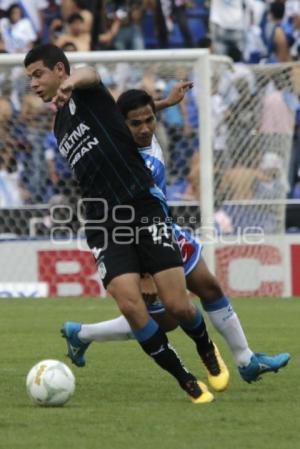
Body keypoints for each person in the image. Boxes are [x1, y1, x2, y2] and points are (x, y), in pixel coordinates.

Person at [24, 43, 216, 404]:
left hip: (142, 205)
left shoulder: (86, 89)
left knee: (177, 305)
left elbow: (89, 74)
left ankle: (206, 347)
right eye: (29, 78)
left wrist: (72, 83)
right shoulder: (58, 121)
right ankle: (185, 379)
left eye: (39, 74)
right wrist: (161, 104)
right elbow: (118, 122)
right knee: (130, 305)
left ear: (60, 70)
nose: (33, 83)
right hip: (102, 220)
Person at [62, 86, 291, 385]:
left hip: (164, 228)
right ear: (121, 125)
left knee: (209, 286)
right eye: (136, 124)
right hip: (138, 240)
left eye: (150, 120)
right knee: (165, 320)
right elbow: (126, 219)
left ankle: (246, 360)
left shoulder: (137, 128)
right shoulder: (127, 162)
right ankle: (81, 333)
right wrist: (144, 273)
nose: (145, 128)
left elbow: (136, 112)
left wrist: (165, 102)